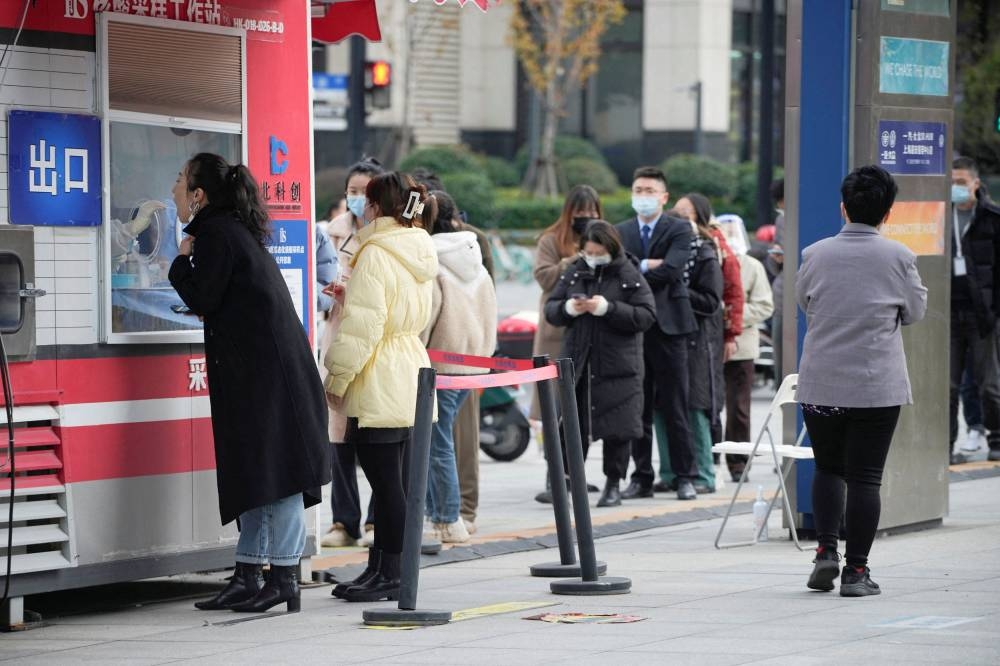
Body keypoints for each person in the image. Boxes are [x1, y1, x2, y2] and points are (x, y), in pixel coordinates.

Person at [169, 153, 331, 613]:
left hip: (268, 376)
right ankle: (248, 573)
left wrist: (180, 263)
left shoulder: (215, 234)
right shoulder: (229, 229)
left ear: (199, 194)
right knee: (255, 469)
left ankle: (281, 578)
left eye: (180, 181)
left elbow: (204, 295)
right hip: (262, 371)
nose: (174, 189)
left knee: (275, 473)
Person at [798, 165, 927, 597]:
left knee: (828, 467)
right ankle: (856, 573)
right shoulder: (900, 257)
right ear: (887, 213)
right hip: (876, 385)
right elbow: (914, 313)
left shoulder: (814, 254)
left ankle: (824, 552)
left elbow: (805, 302)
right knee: (866, 477)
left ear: (843, 208)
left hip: (822, 383)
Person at [323, 171, 438, 603]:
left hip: (379, 373)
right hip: (409, 366)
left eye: (366, 199)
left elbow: (363, 328)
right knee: (394, 483)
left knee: (386, 484)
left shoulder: (375, 253)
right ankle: (383, 569)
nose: (361, 207)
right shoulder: (418, 245)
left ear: (376, 206)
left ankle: (391, 573)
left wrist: (335, 378)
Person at [545, 221, 656, 507]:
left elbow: (645, 315)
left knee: (618, 429)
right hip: (580, 363)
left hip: (618, 366)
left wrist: (608, 308)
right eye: (588, 251)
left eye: (598, 251)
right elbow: (552, 309)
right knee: (572, 425)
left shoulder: (628, 274)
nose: (592, 256)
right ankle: (566, 481)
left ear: (611, 248)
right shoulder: (576, 271)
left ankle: (613, 484)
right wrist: (570, 308)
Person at [412, 169, 495, 532]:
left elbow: (425, 319)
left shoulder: (432, 263)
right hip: (473, 365)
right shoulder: (474, 257)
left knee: (436, 442)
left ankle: (448, 518)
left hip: (440, 365)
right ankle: (438, 516)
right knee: (438, 438)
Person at [616, 167, 699, 501]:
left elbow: (674, 269)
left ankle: (684, 476)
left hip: (671, 328)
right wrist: (651, 266)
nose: (643, 196)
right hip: (635, 329)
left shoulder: (679, 229)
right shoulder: (620, 231)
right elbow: (618, 271)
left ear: (664, 197)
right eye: (638, 189)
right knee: (639, 407)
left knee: (676, 405)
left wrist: (639, 268)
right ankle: (642, 476)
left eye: (650, 190)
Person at [319, 157, 384, 550]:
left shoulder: (389, 236)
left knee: (378, 431)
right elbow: (317, 279)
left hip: (375, 344)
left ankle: (378, 520)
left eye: (366, 192)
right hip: (340, 335)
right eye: (352, 192)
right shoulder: (332, 231)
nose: (358, 199)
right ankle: (344, 521)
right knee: (338, 434)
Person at [532, 185, 604, 503]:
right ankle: (554, 477)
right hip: (556, 333)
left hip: (590, 334)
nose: (586, 219)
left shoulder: (605, 238)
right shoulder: (551, 240)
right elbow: (544, 276)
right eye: (580, 214)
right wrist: (576, 258)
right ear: (568, 213)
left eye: (592, 214)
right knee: (555, 409)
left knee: (581, 410)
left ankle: (577, 473)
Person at [652, 199, 724, 494]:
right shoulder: (660, 258)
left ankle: (704, 474)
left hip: (696, 341)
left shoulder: (705, 255)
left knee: (694, 408)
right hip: (662, 338)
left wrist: (679, 292)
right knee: (661, 407)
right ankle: (668, 472)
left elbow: (711, 301)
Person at [949, 157, 1000, 464]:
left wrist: (995, 313)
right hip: (949, 314)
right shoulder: (939, 216)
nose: (956, 188)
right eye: (951, 182)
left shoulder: (992, 218)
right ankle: (946, 444)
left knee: (990, 383)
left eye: (961, 182)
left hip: (983, 314)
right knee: (948, 385)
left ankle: (996, 438)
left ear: (975, 184)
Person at [718, 214, 773, 482]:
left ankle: (738, 461)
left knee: (739, 407)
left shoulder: (752, 265)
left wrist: (733, 314)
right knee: (709, 404)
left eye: (732, 231)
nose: (728, 236)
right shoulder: (710, 261)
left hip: (743, 345)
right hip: (710, 344)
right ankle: (710, 457)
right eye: (722, 230)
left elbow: (765, 304)